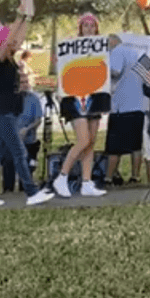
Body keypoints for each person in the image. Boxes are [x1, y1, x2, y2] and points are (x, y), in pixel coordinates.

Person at [0, 16, 56, 207]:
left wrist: (27, 18)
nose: (15, 43)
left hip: (6, 113)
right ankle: (31, 191)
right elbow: (9, 41)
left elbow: (16, 40)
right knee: (19, 153)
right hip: (4, 114)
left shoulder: (9, 59)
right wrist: (19, 17)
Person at [52, 14, 111, 198]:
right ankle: (62, 176)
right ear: (80, 28)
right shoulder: (71, 46)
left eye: (91, 25)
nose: (88, 28)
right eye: (85, 25)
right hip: (75, 97)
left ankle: (87, 182)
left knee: (91, 142)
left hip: (95, 94)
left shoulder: (101, 48)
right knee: (83, 140)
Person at [104, 33, 149, 186]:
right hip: (138, 106)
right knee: (136, 145)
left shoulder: (117, 51)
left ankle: (109, 178)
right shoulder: (139, 54)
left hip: (121, 107)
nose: (106, 47)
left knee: (114, 147)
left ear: (114, 41)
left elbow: (115, 71)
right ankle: (135, 176)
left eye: (107, 43)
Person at [4, 72, 44, 193]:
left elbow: (38, 119)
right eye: (22, 82)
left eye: (26, 82)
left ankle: (24, 189)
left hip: (28, 139)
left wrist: (27, 129)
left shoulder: (33, 99)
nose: (25, 85)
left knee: (27, 166)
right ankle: (8, 191)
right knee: (8, 164)